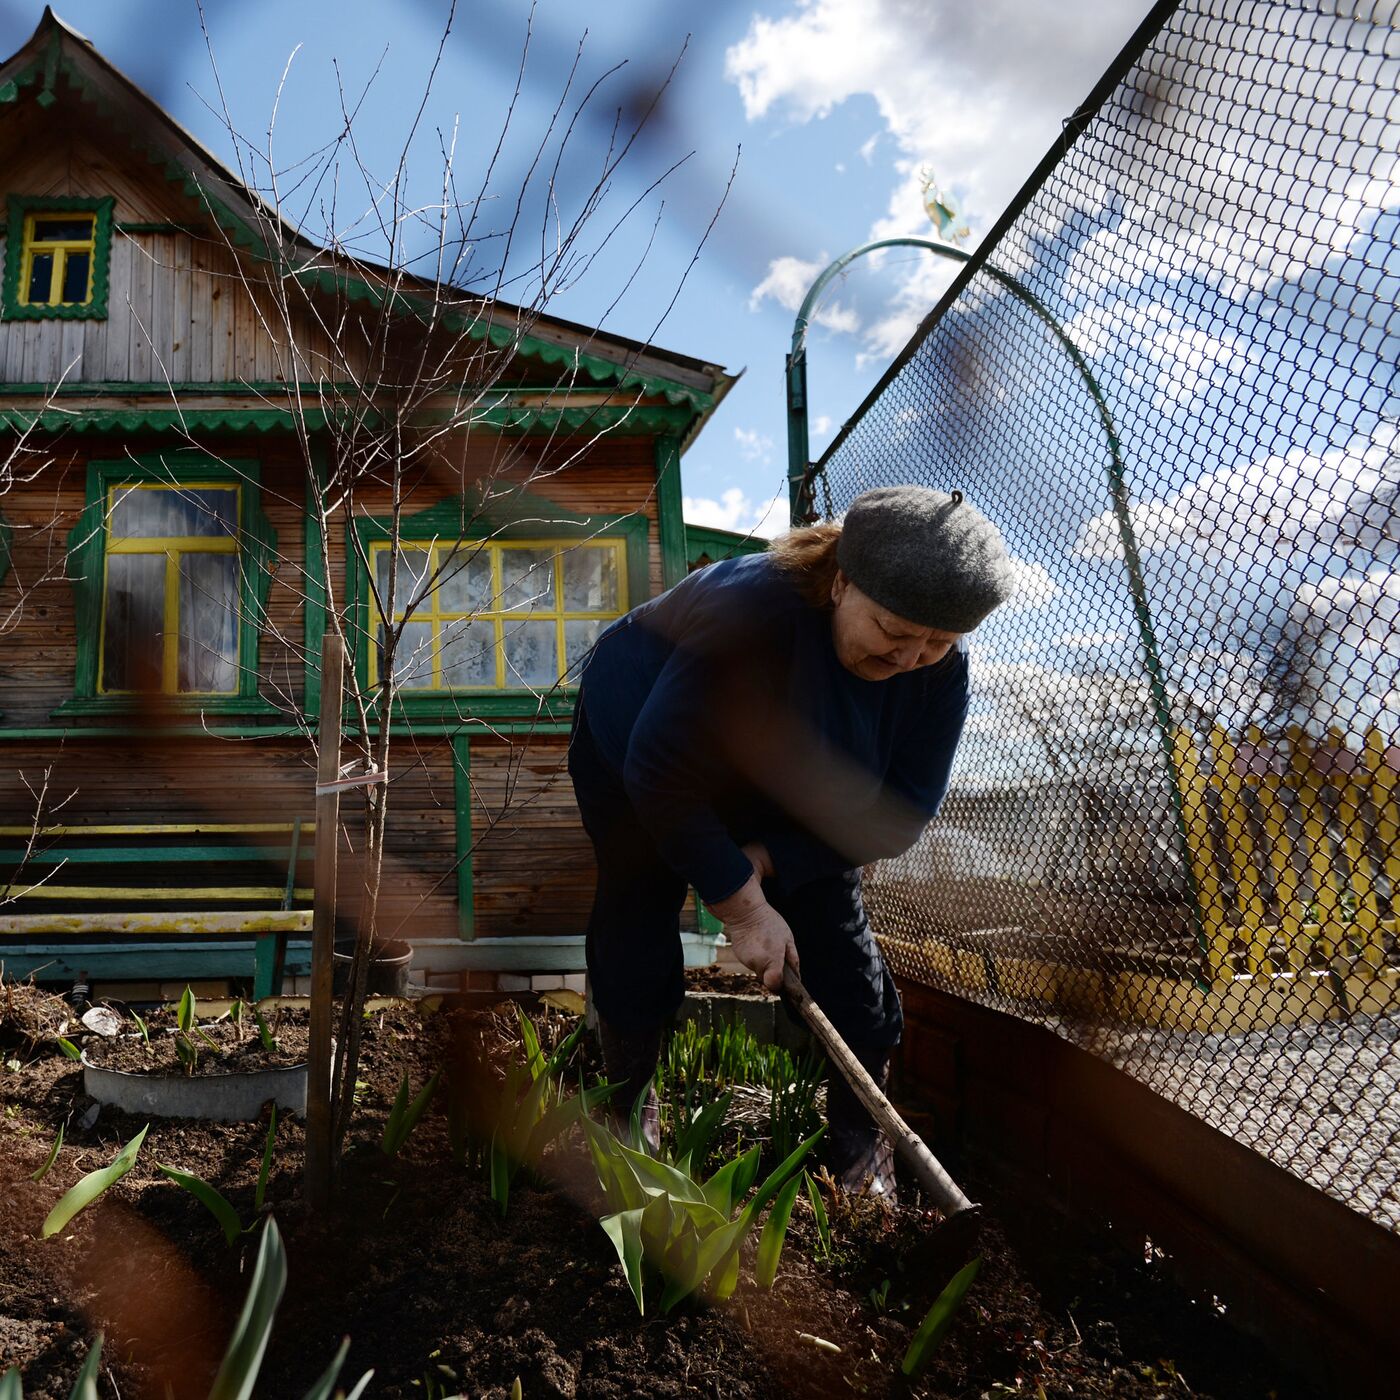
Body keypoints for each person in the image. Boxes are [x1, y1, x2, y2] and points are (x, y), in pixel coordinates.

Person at [567, 485, 1014, 1197]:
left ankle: (860, 1144)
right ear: (840, 582)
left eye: (935, 643)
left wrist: (775, 859)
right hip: (641, 749)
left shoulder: (938, 677)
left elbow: (897, 815)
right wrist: (742, 906)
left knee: (840, 953)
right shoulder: (753, 612)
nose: (908, 658)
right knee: (640, 907)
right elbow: (660, 767)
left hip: (787, 787)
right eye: (893, 630)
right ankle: (626, 1106)